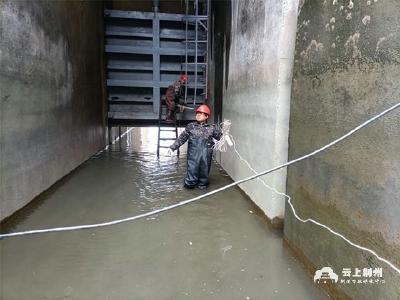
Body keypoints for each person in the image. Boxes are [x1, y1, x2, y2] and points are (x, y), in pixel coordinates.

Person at [168, 104, 222, 189]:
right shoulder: (191, 126)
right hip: (193, 156)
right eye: (197, 113)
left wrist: (226, 136)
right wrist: (172, 148)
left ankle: (202, 187)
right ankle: (189, 187)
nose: (198, 115)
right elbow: (182, 138)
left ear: (206, 116)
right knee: (191, 175)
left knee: (203, 178)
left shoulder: (212, 128)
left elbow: (220, 138)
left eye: (201, 113)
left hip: (206, 156)